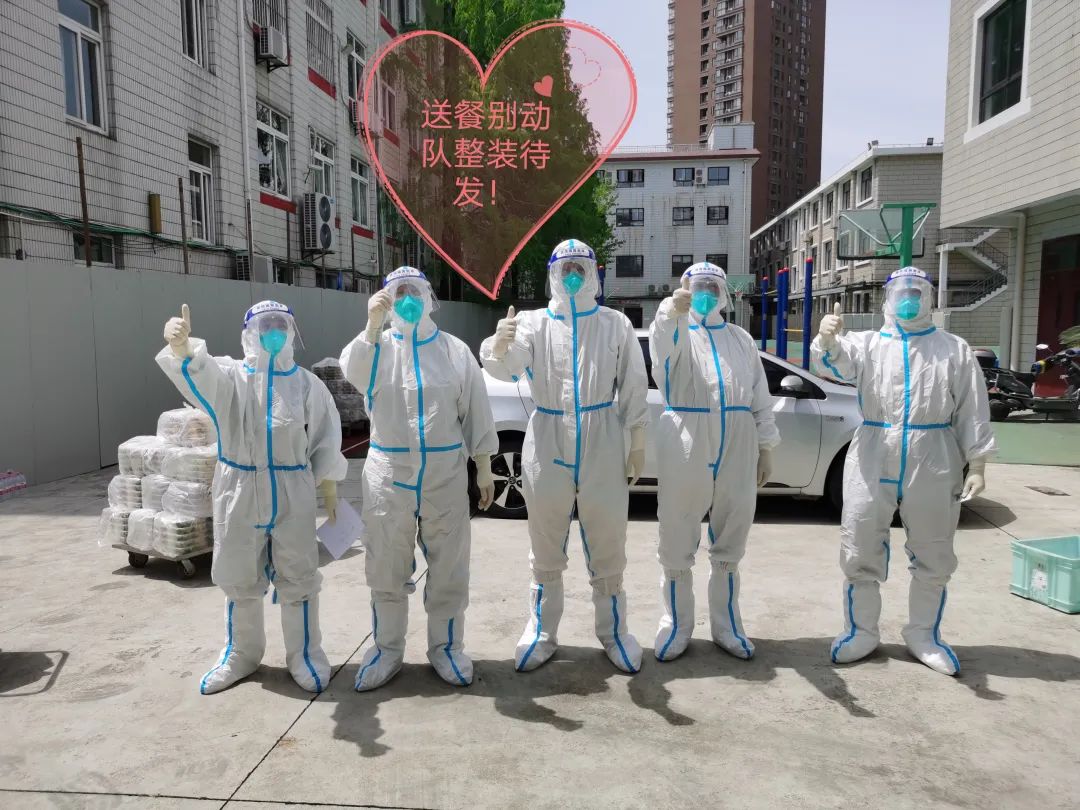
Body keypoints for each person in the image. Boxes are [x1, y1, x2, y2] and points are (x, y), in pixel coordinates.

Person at [812, 267, 994, 675]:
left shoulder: (953, 349)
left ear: (929, 297)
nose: (909, 298)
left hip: (934, 452)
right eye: (901, 292)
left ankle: (924, 635)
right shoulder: (867, 344)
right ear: (888, 299)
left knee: (934, 546)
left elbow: (973, 408)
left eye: (917, 291)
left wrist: (978, 463)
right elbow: (835, 366)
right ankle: (861, 631)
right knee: (860, 539)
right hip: (874, 448)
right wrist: (827, 340)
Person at [159, 301, 347, 694]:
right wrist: (184, 349)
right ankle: (241, 653)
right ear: (249, 333)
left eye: (281, 324)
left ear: (292, 332)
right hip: (239, 489)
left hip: (292, 491)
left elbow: (326, 436)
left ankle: (305, 655)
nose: (274, 332)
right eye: (265, 325)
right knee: (238, 574)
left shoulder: (306, 384)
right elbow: (203, 377)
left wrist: (329, 486)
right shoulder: (232, 376)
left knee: (299, 574)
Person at [480, 239, 649, 674]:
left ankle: (614, 631)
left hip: (602, 436)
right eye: (565, 269)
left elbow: (633, 381)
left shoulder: (614, 323)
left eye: (580, 269)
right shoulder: (534, 323)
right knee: (545, 537)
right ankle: (541, 631)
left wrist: (637, 438)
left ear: (593, 274)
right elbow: (509, 367)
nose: (572, 276)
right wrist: (499, 345)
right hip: (548, 437)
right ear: (553, 274)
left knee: (607, 536)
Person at [340, 266, 497, 691]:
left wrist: (484, 464)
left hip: (445, 472)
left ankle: (446, 648)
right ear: (387, 300)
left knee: (449, 565)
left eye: (415, 291)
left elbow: (476, 408)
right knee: (385, 563)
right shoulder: (377, 347)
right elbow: (354, 372)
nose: (408, 299)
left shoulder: (453, 350)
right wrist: (371, 327)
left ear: (429, 298)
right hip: (389, 473)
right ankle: (387, 650)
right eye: (399, 292)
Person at [649, 262, 779, 662]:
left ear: (724, 294)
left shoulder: (740, 339)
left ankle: (727, 626)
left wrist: (766, 445)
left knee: (733, 528)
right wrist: (669, 312)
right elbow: (660, 350)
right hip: (687, 434)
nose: (704, 293)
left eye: (711, 287)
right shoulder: (677, 330)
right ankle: (676, 624)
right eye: (697, 286)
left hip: (738, 437)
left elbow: (759, 394)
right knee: (678, 527)